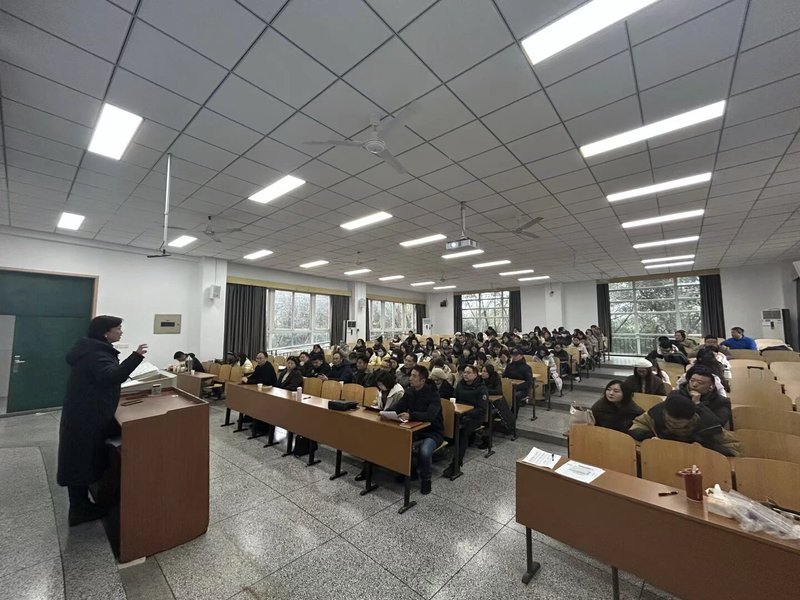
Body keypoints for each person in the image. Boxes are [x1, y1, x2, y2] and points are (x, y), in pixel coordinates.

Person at [57, 315, 148, 526]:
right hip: (87, 416)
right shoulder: (96, 352)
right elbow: (111, 377)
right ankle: (80, 509)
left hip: (85, 413)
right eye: (118, 328)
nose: (121, 332)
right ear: (106, 333)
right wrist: (135, 357)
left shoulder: (93, 349)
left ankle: (81, 505)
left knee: (79, 460)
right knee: (80, 461)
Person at [628, 393, 741, 456]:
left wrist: (705, 449)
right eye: (669, 421)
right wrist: (649, 438)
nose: (673, 425)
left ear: (691, 419)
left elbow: (734, 448)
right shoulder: (655, 414)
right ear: (664, 413)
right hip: (661, 458)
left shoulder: (707, 424)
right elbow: (637, 425)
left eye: (678, 423)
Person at [392, 366, 444, 495]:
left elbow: (430, 416)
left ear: (423, 380)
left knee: (425, 452)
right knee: (398, 443)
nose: (410, 378)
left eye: (414, 376)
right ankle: (410, 471)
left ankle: (426, 480)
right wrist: (385, 412)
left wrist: (411, 415)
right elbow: (399, 407)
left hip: (433, 432)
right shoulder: (410, 391)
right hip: (415, 429)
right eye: (411, 375)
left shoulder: (433, 394)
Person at [445, 365, 487, 477]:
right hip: (459, 414)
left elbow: (482, 409)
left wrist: (466, 412)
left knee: (463, 433)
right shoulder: (460, 385)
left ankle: (456, 464)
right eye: (464, 372)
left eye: (469, 373)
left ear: (475, 374)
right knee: (445, 424)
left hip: (474, 417)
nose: (465, 375)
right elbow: (454, 399)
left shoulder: (481, 388)